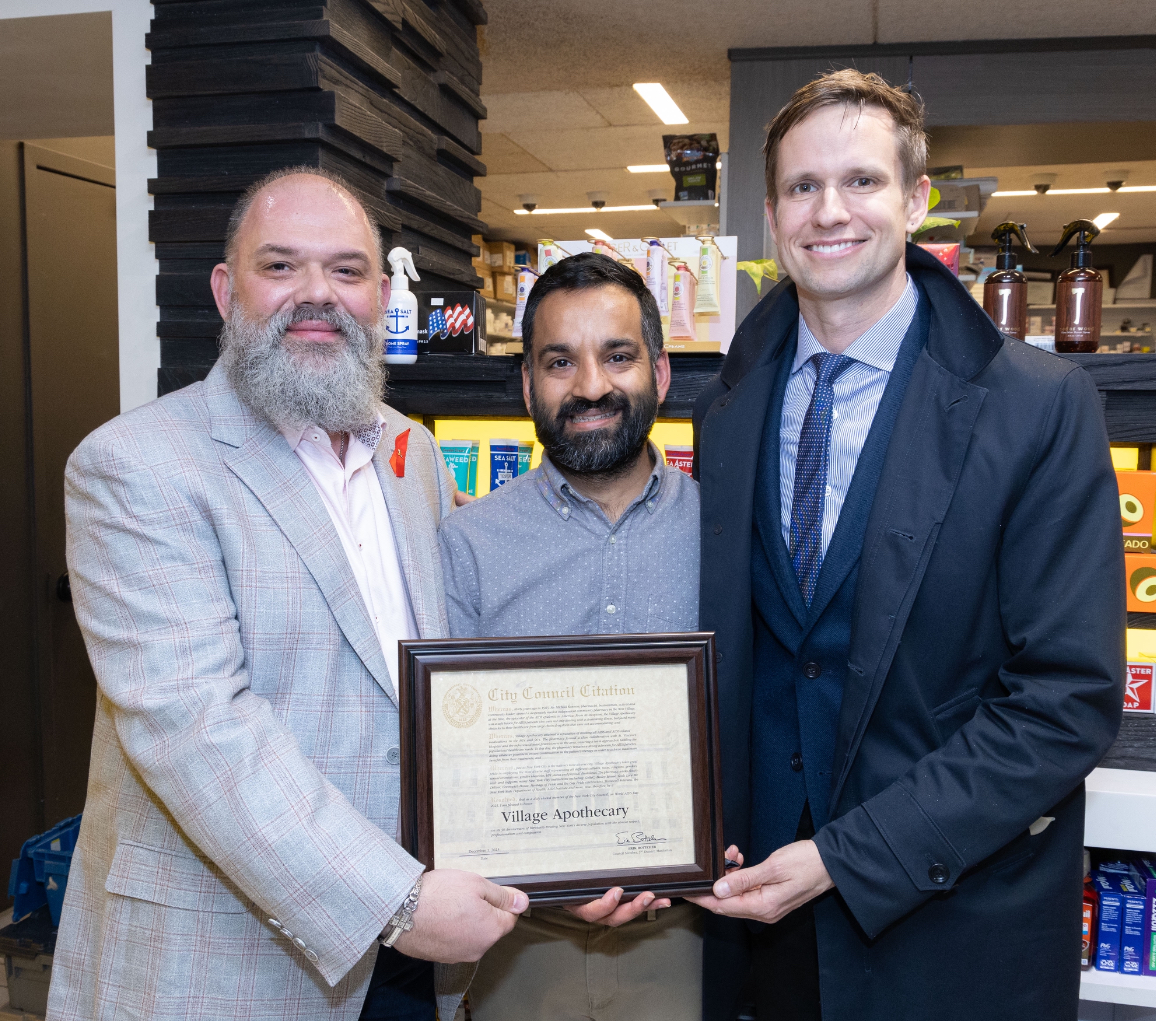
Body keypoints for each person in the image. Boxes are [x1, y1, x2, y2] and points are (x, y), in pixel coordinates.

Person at [690, 70, 1124, 1021]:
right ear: (770, 213)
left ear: (917, 201)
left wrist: (845, 856)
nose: (829, 211)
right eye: (802, 187)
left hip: (951, 923)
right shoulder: (724, 407)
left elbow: (1066, 700)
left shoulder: (1038, 405)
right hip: (761, 918)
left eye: (861, 181)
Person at [47, 167, 527, 1021]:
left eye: (346, 271)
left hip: (412, 967)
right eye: (282, 267)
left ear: (382, 295)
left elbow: (434, 689)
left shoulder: (409, 455)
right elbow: (199, 732)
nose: (318, 295)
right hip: (229, 965)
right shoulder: (137, 467)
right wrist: (398, 901)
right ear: (228, 292)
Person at [438, 253, 703, 1021]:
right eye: (560, 361)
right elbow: (444, 759)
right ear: (527, 384)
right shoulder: (467, 541)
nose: (590, 386)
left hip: (689, 937)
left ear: (660, 370)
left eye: (617, 356)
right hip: (515, 943)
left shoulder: (726, 532)